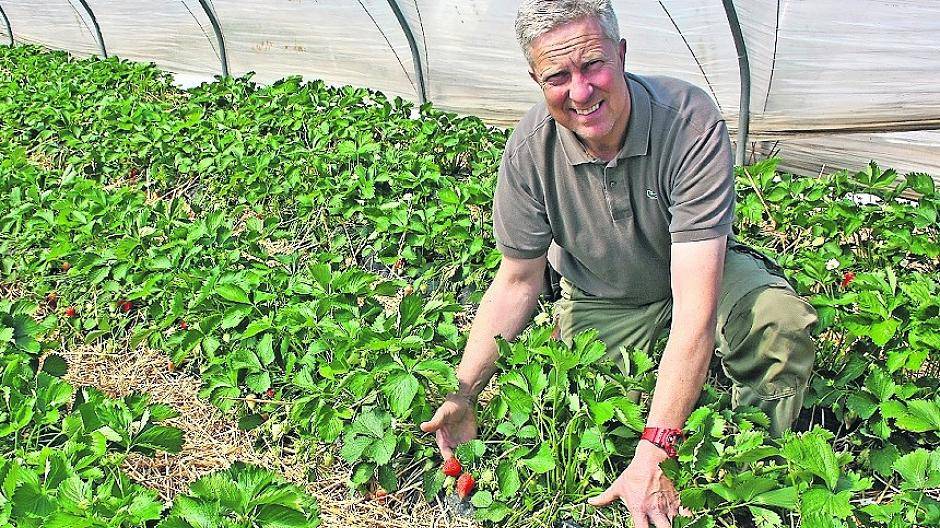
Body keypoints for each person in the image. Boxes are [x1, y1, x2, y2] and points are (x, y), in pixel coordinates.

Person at [420, 1, 817, 526]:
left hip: (700, 280)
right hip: (603, 296)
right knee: (592, 409)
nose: (580, 92)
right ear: (537, 79)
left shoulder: (686, 120)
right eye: (558, 76)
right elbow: (517, 281)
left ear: (622, 53)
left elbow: (696, 312)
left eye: (593, 65)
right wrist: (464, 390)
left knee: (777, 327)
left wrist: (658, 449)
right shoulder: (529, 152)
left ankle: (751, 473)